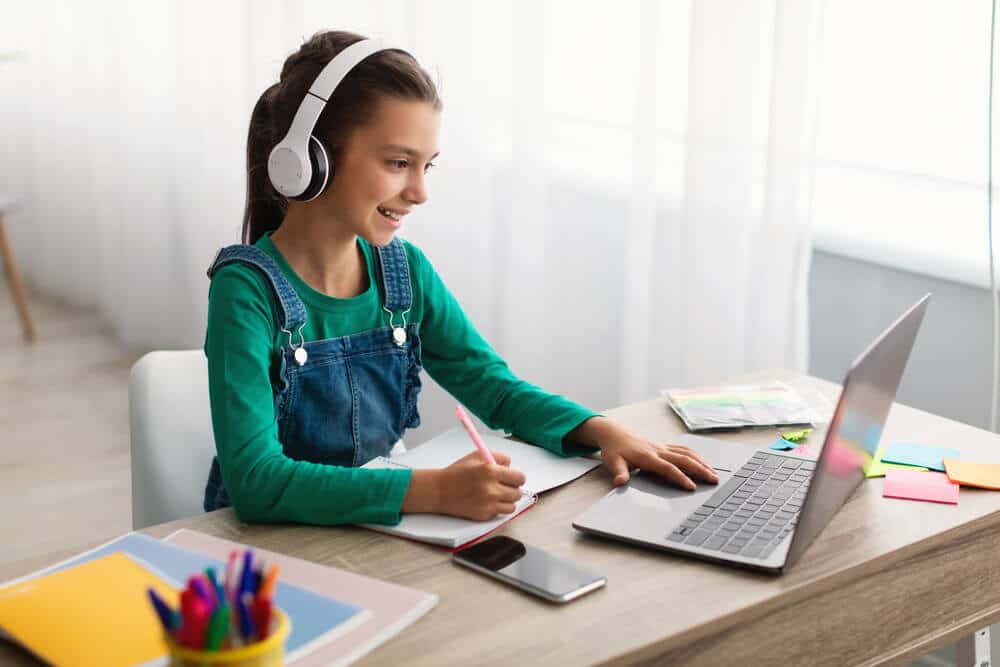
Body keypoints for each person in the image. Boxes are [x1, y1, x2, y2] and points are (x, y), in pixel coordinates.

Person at [203, 30, 718, 526]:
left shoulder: (404, 274)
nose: (419, 191)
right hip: (271, 551)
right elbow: (256, 482)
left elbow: (495, 390)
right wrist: (435, 490)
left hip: (375, 532)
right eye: (399, 162)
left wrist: (601, 430)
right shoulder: (246, 291)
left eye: (428, 166)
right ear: (307, 161)